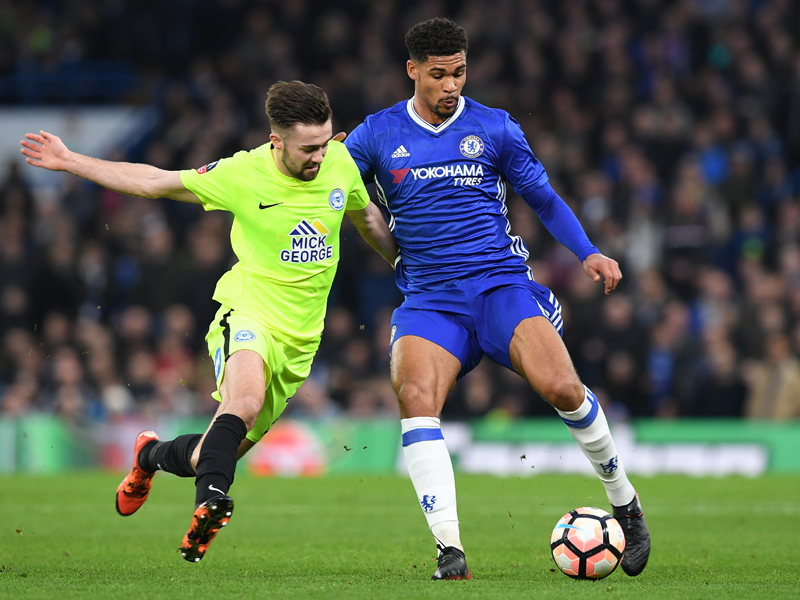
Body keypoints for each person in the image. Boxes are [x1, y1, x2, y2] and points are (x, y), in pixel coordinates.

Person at [20, 80, 397, 562]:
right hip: (249, 311)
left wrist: (409, 270)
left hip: (301, 342)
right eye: (308, 149)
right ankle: (211, 504)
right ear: (276, 140)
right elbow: (155, 181)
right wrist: (72, 161)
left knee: (208, 456)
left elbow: (369, 223)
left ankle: (149, 456)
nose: (320, 157)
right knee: (244, 400)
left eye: (325, 144)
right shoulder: (242, 173)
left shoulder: (339, 163)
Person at [344, 18, 650, 580]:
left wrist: (588, 252)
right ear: (413, 71)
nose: (451, 85)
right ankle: (450, 551)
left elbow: (545, 198)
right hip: (430, 299)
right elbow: (327, 183)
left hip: (499, 286)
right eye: (438, 75)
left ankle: (625, 504)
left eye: (459, 72)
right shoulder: (374, 135)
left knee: (563, 388)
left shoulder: (495, 128)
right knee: (415, 396)